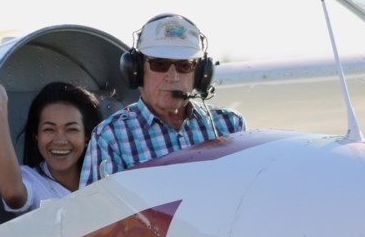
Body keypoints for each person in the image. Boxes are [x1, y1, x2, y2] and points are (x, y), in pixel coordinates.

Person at [80, 13, 245, 186]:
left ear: (200, 74)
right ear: (136, 70)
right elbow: (93, 210)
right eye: (160, 64)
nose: (172, 77)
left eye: (184, 65)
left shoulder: (230, 125)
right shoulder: (110, 136)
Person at [0, 75, 102, 213]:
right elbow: (12, 194)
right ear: (36, 136)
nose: (60, 140)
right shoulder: (32, 179)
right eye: (49, 129)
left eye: (71, 129)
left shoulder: (104, 174)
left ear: (86, 137)